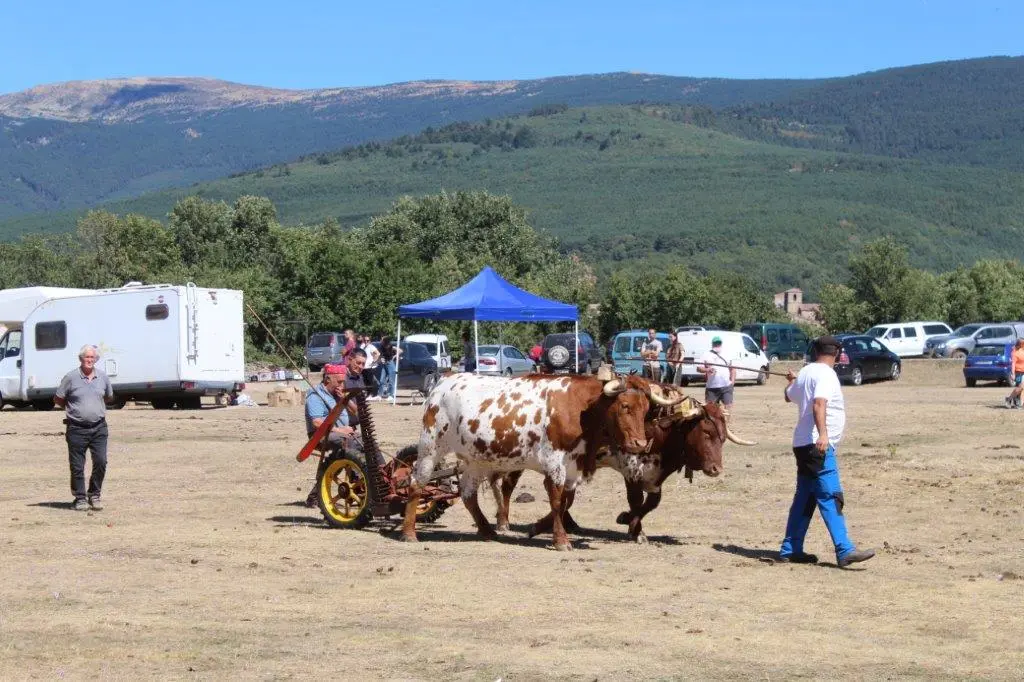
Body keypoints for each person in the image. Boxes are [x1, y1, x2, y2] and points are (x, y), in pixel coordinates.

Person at [780, 335, 875, 568]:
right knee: (831, 495)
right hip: (817, 445)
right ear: (837, 353)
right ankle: (845, 550)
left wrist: (793, 382)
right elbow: (819, 403)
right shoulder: (826, 374)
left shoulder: (805, 373)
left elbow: (787, 395)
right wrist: (823, 434)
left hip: (802, 444)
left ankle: (790, 548)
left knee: (805, 497)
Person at [54, 345, 116, 511]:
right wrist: (74, 408)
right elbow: (58, 399)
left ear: (96, 359)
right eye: (86, 357)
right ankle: (80, 498)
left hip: (99, 428)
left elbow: (109, 397)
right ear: (81, 359)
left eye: (92, 358)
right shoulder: (71, 377)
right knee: (77, 465)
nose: (89, 360)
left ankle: (94, 494)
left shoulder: (103, 377)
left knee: (101, 462)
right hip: (76, 428)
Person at [303, 363, 359, 507]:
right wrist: (341, 431)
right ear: (328, 380)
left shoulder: (339, 394)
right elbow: (316, 423)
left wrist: (345, 399)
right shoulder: (315, 395)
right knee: (348, 443)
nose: (342, 385)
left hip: (342, 433)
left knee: (365, 442)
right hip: (320, 435)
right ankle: (357, 483)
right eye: (339, 382)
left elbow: (356, 412)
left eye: (343, 381)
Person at [699, 336, 735, 409]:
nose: (717, 345)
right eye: (715, 343)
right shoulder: (706, 354)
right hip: (711, 388)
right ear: (712, 344)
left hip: (726, 386)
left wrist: (732, 382)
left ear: (721, 344)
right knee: (711, 410)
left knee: (728, 408)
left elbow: (733, 369)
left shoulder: (727, 354)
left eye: (718, 343)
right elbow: (699, 368)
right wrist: (708, 370)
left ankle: (726, 421)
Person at [1004, 338, 1024, 409]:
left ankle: (1018, 402)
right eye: (1022, 343)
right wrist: (1013, 374)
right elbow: (1013, 364)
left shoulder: (1022, 349)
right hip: (1018, 372)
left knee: (1021, 388)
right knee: (1020, 387)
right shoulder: (1014, 352)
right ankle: (1009, 399)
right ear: (1019, 344)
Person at [361, 335, 382, 400]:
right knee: (365, 381)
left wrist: (373, 361)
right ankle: (368, 394)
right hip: (364, 366)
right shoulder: (362, 346)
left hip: (369, 367)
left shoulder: (371, 347)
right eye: (365, 340)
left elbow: (378, 353)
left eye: (368, 340)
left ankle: (372, 394)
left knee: (370, 381)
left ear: (370, 341)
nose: (366, 342)